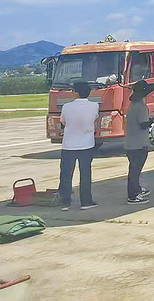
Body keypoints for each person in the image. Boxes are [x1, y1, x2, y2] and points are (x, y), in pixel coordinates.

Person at [57, 81, 99, 211]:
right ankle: (86, 201)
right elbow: (94, 120)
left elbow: (63, 122)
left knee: (66, 174)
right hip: (86, 144)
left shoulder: (66, 107)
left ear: (76, 92)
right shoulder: (94, 106)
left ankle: (65, 202)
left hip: (69, 145)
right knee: (85, 173)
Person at [125, 80, 154, 204]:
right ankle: (133, 195)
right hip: (139, 144)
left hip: (130, 143)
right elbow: (143, 124)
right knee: (135, 171)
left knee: (133, 169)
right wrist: (153, 120)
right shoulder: (142, 107)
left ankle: (137, 189)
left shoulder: (132, 105)